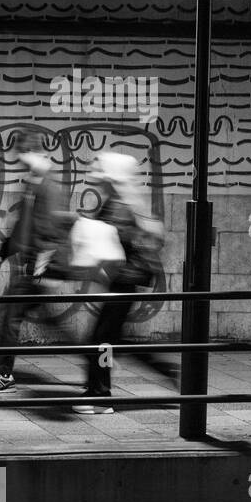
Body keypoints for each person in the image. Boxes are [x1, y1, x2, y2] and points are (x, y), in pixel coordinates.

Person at [0, 129, 77, 394]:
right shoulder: (35, 181)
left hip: (37, 268)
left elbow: (53, 227)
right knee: (50, 324)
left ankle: (3, 374)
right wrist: (2, 254)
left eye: (20, 154)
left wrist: (45, 265)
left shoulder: (48, 184)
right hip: (34, 267)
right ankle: (95, 360)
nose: (18, 159)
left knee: (10, 318)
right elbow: (24, 225)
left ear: (30, 152)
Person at [77, 152, 165, 415]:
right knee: (107, 339)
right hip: (122, 282)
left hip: (122, 282)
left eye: (102, 175)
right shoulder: (119, 202)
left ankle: (101, 396)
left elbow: (116, 246)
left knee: (101, 340)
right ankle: (98, 390)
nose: (98, 180)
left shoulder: (119, 207)